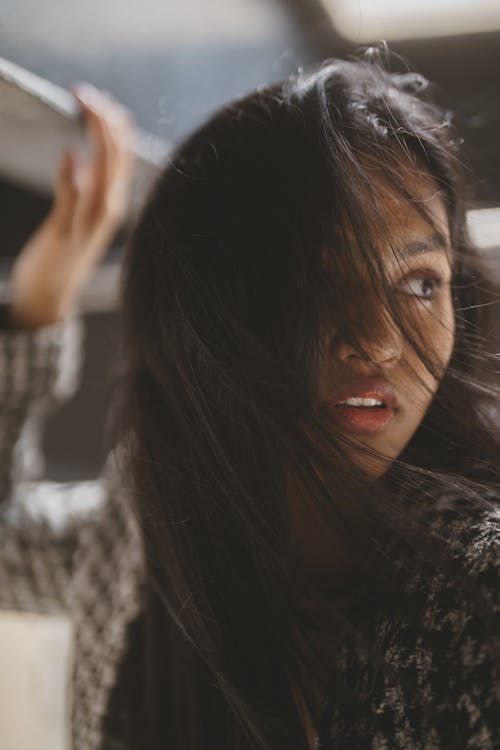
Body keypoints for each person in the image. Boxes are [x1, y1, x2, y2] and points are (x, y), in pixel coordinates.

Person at [0, 51, 498, 750]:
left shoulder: (480, 586)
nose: (379, 342)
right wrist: (37, 307)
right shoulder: (149, 519)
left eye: (421, 283)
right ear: (205, 308)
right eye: (313, 279)